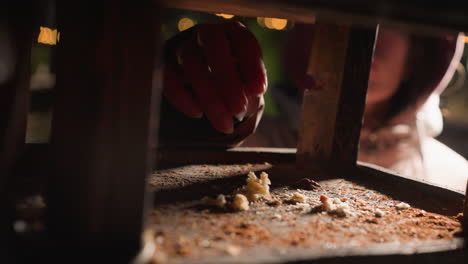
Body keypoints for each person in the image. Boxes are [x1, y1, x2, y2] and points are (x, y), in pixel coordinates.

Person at [160, 21, 468, 191]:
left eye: (388, 19)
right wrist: (192, 111)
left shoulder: (457, 177)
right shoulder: (255, 146)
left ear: (417, 55)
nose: (366, 38)